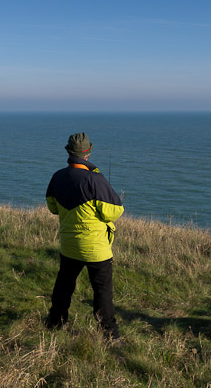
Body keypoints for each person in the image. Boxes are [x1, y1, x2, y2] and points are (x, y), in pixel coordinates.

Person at [45, 133, 124, 340]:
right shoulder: (95, 179)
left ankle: (55, 323)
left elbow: (53, 207)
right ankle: (109, 335)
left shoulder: (57, 177)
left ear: (69, 152)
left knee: (64, 286)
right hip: (96, 249)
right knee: (102, 293)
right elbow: (114, 211)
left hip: (69, 246)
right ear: (88, 152)